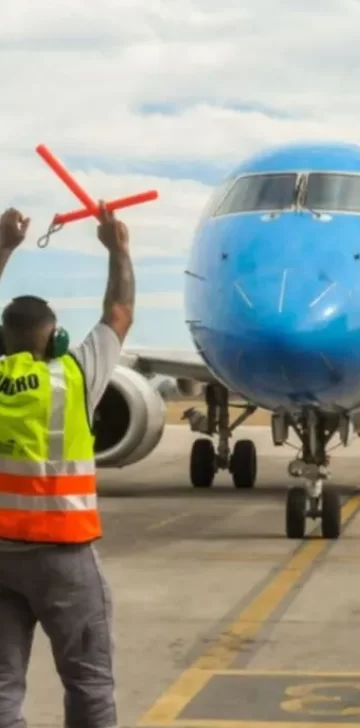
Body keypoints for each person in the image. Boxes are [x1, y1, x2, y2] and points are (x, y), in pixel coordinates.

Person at [0, 202, 135, 728]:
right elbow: (119, 313)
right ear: (55, 338)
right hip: (63, 555)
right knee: (89, 682)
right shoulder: (73, 375)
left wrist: (5, 246)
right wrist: (118, 250)